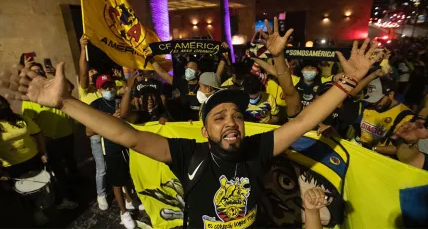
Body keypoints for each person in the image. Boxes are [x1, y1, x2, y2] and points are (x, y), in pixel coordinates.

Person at [5, 18, 388, 228]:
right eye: (220, 116)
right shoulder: (188, 153)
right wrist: (65, 101)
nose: (232, 121)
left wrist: (347, 82)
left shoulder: (259, 148)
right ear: (205, 131)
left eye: (236, 115)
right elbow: (127, 135)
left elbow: (304, 119)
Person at [22, 61, 79, 210]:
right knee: (58, 170)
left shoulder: (55, 84)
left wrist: (56, 73)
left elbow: (70, 87)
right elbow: (30, 124)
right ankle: (65, 197)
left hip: (67, 133)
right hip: (49, 140)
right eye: (35, 72)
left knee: (71, 161)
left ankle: (76, 183)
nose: (39, 73)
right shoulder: (28, 96)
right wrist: (41, 145)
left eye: (40, 71)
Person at [89, 74, 140, 229]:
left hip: (127, 143)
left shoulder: (119, 100)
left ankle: (130, 200)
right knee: (116, 180)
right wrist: (110, 119)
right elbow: (88, 130)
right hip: (110, 146)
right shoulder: (95, 105)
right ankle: (123, 211)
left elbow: (132, 115)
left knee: (128, 174)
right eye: (105, 87)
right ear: (98, 90)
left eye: (110, 86)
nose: (109, 89)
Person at [0, 95, 49, 224]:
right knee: (22, 192)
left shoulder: (22, 119)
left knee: (36, 187)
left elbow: (38, 134)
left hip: (32, 159)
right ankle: (32, 212)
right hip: (12, 166)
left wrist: (43, 152)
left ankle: (40, 208)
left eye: (3, 105)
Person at [78, 36, 107, 211]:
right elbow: (82, 72)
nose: (90, 75)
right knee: (101, 168)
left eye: (93, 74)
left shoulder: (103, 90)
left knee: (114, 164)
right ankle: (101, 194)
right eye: (90, 73)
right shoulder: (85, 91)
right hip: (96, 136)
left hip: (110, 134)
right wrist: (83, 49)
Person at [151, 55, 228, 121]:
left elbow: (217, 76)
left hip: (201, 120)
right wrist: (151, 59)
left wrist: (223, 58)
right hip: (185, 121)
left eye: (192, 67)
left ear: (198, 72)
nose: (188, 69)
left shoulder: (203, 83)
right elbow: (162, 73)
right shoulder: (181, 83)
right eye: (187, 67)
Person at [359, 77, 415, 156]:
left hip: (380, 159)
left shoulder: (406, 116)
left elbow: (402, 148)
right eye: (372, 100)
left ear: (391, 94)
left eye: (378, 100)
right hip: (359, 153)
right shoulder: (369, 108)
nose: (374, 103)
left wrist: (373, 149)